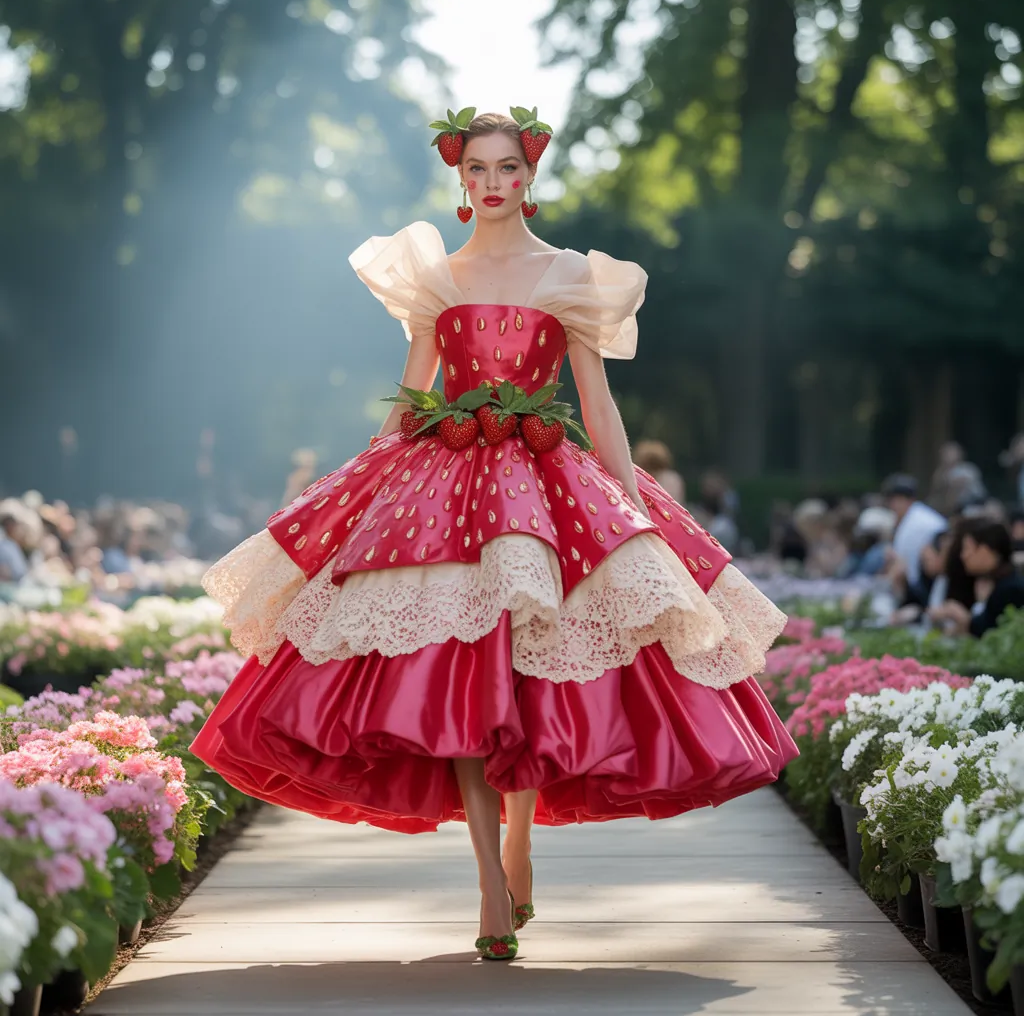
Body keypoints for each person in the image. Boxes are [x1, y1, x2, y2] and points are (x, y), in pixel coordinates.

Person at [190, 108, 797, 962]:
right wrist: (362, 489)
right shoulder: (436, 279)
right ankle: (488, 881)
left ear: (530, 175)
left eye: (508, 167)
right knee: (469, 687)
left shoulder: (572, 275)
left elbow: (597, 403)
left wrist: (631, 514)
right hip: (445, 483)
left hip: (546, 485)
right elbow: (410, 400)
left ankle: (518, 837)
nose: (494, 183)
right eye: (478, 169)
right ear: (460, 180)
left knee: (526, 670)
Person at [928, 519, 1024, 637]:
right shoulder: (987, 583)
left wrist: (962, 617)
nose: (963, 555)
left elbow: (991, 635)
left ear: (985, 550)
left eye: (968, 548)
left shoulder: (1009, 590)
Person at [882, 473, 947, 593]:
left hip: (930, 585)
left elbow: (905, 572)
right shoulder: (915, 515)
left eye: (896, 500)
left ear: (908, 499)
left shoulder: (917, 522)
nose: (892, 505)